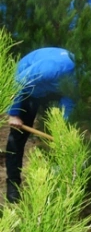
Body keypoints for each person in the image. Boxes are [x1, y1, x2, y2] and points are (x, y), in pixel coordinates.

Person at [5, 47, 75, 203]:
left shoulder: (82, 78)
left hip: (51, 91)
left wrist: (62, 128)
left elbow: (70, 101)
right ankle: (13, 185)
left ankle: (50, 184)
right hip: (26, 88)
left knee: (56, 138)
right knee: (17, 138)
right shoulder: (53, 67)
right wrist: (14, 113)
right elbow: (18, 81)